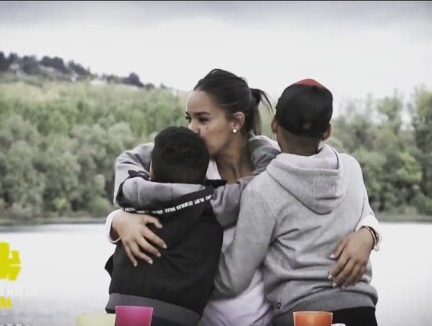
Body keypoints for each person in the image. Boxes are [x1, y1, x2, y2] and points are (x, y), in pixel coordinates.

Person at [105, 69, 381, 325]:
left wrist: (368, 233)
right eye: (188, 119)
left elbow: (339, 196)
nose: (192, 130)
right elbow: (148, 201)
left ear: (236, 122)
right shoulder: (184, 170)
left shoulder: (278, 167)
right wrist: (117, 220)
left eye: (203, 119)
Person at [213, 79, 379, 326]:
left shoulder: (262, 190)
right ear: (327, 132)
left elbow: (233, 278)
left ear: (274, 125)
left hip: (301, 317)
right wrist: (371, 235)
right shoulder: (352, 170)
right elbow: (367, 218)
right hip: (360, 311)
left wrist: (183, 271)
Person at [105, 126, 225, 326]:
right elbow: (255, 185)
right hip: (179, 315)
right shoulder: (215, 203)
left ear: (151, 168)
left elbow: (126, 158)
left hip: (126, 307)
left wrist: (165, 149)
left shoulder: (135, 193)